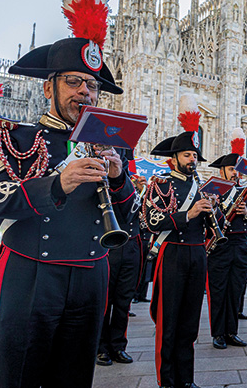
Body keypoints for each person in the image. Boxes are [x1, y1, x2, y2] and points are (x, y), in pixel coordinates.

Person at [0, 0, 138, 387]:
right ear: (49, 87)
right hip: (30, 274)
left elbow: (130, 213)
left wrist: (118, 178)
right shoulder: (15, 137)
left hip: (91, 276)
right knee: (19, 376)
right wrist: (56, 184)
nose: (85, 92)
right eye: (74, 81)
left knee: (75, 377)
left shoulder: (109, 145)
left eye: (93, 85)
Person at [142, 93, 220, 388]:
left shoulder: (201, 186)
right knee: (169, 321)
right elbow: (151, 221)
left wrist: (216, 214)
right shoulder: (160, 184)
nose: (192, 160)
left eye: (194, 156)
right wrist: (188, 214)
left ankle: (185, 380)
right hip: (172, 254)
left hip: (197, 255)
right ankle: (167, 380)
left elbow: (210, 227)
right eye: (187, 156)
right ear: (174, 158)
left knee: (189, 324)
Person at [207, 128, 247, 350]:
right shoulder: (212, 191)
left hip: (240, 245)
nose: (234, 174)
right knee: (219, 290)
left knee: (236, 289)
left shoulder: (243, 192)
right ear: (222, 171)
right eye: (231, 169)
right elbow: (207, 219)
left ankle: (231, 331)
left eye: (237, 170)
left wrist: (245, 213)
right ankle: (218, 333)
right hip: (221, 245)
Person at [97, 153, 144, 366]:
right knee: (104, 300)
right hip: (107, 246)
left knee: (123, 301)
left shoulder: (129, 184)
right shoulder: (101, 182)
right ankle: (101, 347)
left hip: (131, 245)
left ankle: (118, 345)